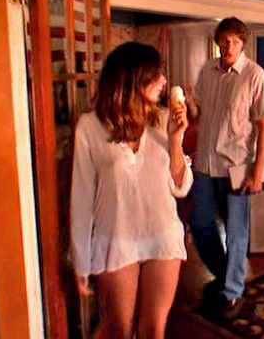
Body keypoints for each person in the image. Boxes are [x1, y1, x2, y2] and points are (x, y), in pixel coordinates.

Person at [70, 41, 192, 339]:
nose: (164, 81)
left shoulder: (164, 120)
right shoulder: (89, 127)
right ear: (133, 80)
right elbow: (81, 199)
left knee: (154, 331)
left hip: (162, 235)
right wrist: (80, 260)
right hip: (116, 239)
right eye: (156, 75)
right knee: (119, 330)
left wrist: (176, 141)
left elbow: (180, 187)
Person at [185, 17, 264, 321]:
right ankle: (227, 276)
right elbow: (198, 114)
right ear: (218, 42)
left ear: (242, 43)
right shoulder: (207, 71)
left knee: (236, 233)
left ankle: (232, 292)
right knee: (200, 224)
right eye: (224, 40)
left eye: (234, 41)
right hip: (204, 164)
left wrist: (258, 171)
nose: (228, 46)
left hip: (237, 166)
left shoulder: (255, 75)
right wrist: (188, 104)